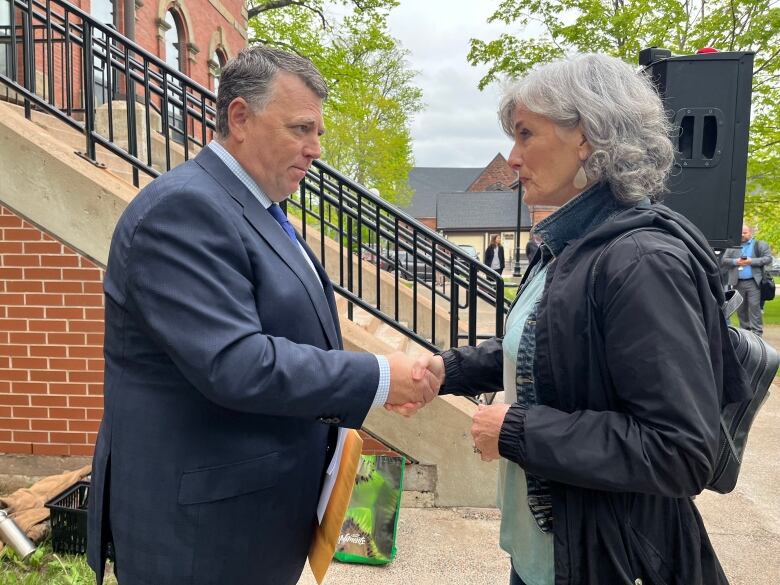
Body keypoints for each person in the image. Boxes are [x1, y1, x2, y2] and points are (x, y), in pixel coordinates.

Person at [87, 46, 438, 585]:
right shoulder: (184, 210)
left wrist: (375, 383)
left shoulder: (256, 208)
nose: (315, 149)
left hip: (248, 520)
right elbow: (236, 362)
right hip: (201, 535)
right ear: (240, 118)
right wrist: (380, 376)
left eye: (318, 133)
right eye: (301, 129)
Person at [404, 54, 751, 584]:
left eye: (526, 134)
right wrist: (447, 370)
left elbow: (680, 450)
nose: (513, 157)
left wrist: (518, 430)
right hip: (555, 552)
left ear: (588, 137)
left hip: (606, 562)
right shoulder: (573, 246)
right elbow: (556, 346)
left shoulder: (641, 261)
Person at [720, 223, 773, 336]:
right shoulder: (733, 246)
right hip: (737, 282)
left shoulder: (759, 245)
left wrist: (751, 261)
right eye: (740, 233)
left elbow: (768, 258)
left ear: (750, 233)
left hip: (754, 282)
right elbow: (724, 260)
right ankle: (745, 332)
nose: (742, 235)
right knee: (740, 309)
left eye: (745, 232)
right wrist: (736, 262)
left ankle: (757, 333)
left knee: (754, 308)